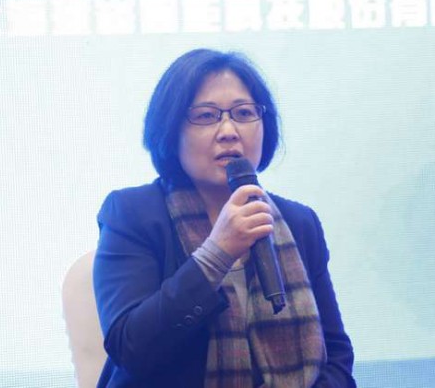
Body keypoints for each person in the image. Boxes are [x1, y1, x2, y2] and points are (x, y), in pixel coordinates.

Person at [93, 49, 356, 387]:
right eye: (206, 116)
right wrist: (217, 252)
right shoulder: (132, 214)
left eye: (244, 113)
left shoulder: (299, 222)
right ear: (170, 129)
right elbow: (131, 349)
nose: (229, 131)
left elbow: (336, 355)